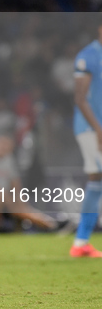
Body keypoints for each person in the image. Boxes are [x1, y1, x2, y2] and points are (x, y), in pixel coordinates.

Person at [0, 136, 57, 232]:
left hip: (6, 196)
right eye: (2, 145)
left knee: (22, 208)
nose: (4, 149)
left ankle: (51, 225)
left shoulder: (8, 158)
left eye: (7, 147)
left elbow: (15, 181)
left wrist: (19, 197)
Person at [70, 24, 102, 258]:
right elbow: (80, 98)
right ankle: (80, 242)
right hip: (90, 128)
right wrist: (98, 129)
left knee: (96, 180)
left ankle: (81, 243)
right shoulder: (88, 56)